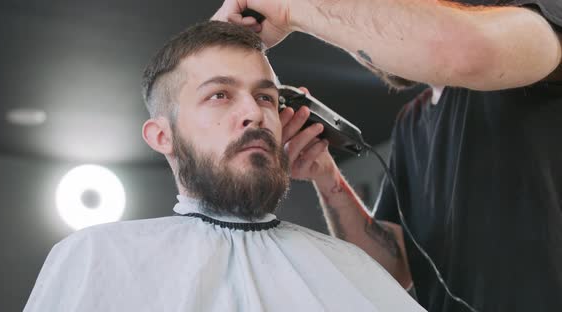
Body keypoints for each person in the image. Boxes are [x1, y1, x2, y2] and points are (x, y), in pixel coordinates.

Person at [23, 21, 425, 312]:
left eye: (266, 98)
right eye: (219, 95)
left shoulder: (348, 267)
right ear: (162, 136)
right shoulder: (98, 258)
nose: (253, 112)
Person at [212, 0, 562, 311]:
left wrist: (291, 8)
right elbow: (394, 267)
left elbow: (464, 51)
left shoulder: (542, 17)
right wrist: (327, 177)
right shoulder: (412, 122)